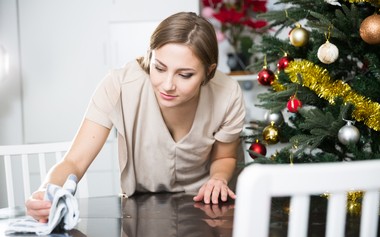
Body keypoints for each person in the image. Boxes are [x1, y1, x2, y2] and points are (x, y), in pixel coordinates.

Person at [26, 11, 246, 223]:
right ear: (150, 56)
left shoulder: (227, 94)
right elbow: (74, 161)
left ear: (209, 71)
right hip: (142, 211)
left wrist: (218, 179)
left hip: (207, 207)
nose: (168, 85)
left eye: (185, 75)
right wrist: (47, 191)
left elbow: (224, 157)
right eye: (159, 68)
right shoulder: (119, 85)